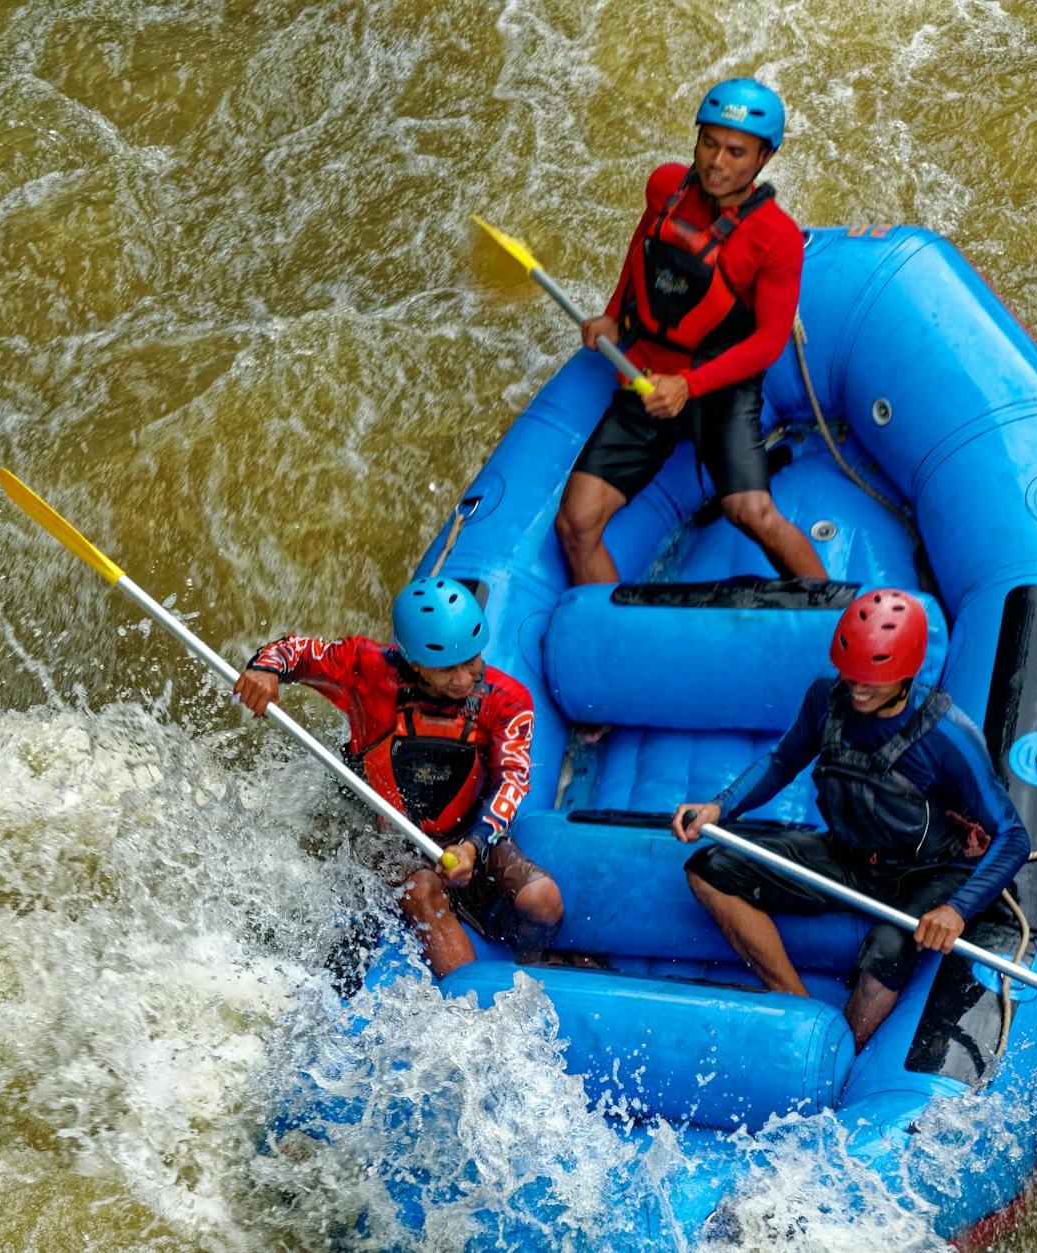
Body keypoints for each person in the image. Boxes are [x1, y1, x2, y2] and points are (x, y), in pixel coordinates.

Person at [671, 588, 1031, 1049]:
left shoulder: (947, 735)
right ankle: (796, 1007)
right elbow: (783, 762)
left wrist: (956, 910)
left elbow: (1013, 835)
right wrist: (721, 806)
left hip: (928, 873)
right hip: (849, 856)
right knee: (709, 869)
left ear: (906, 673)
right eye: (851, 675)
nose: (857, 689)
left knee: (887, 950)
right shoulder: (827, 697)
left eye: (872, 680)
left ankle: (847, 1052)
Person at [556, 77, 826, 586]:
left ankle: (833, 611)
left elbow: (769, 341)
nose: (717, 163)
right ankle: (616, 641)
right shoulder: (664, 187)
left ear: (763, 160)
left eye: (736, 151)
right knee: (575, 523)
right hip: (650, 375)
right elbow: (643, 245)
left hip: (719, 387)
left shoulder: (776, 238)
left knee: (751, 512)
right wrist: (614, 312)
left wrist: (689, 386)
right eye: (709, 143)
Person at [232, 577, 562, 977]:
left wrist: (475, 845)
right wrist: (265, 669)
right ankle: (466, 1004)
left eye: (471, 661)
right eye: (446, 668)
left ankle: (524, 959)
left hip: (468, 835)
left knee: (543, 901)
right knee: (423, 887)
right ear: (414, 661)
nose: (462, 678)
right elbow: (296, 651)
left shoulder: (506, 698)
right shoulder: (368, 669)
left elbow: (513, 780)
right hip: (384, 834)